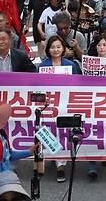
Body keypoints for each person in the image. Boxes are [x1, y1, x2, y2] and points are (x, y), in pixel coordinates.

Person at [38, 35, 80, 181]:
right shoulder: (42, 66)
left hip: (65, 104)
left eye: (58, 47)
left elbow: (77, 86)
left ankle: (61, 165)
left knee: (63, 133)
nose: (55, 50)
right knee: (48, 132)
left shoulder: (71, 65)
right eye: (52, 47)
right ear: (48, 50)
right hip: (48, 106)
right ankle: (53, 157)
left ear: (63, 48)